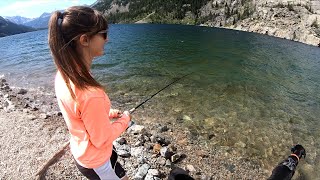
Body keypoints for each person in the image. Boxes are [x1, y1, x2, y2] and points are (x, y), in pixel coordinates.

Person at [48, 6, 132, 180]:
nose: (107, 39)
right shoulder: (90, 92)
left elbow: (79, 113)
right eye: (104, 34)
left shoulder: (63, 75)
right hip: (96, 161)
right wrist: (124, 120)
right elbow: (102, 139)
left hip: (84, 151)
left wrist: (106, 114)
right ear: (85, 39)